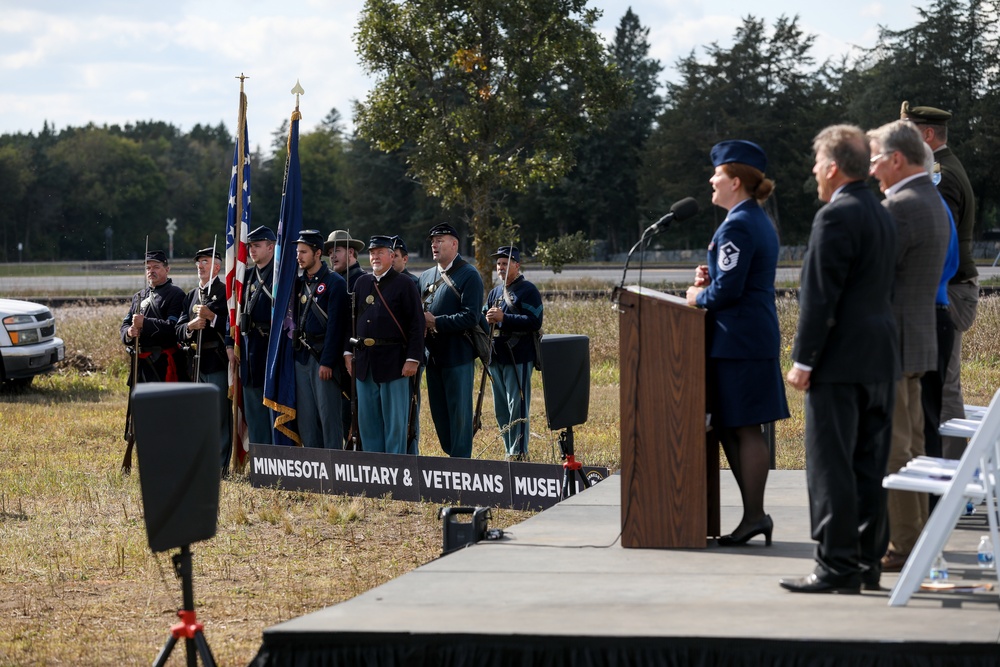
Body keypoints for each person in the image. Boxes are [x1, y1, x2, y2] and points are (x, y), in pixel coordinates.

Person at [780, 124, 898, 594]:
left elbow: (820, 298)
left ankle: (835, 566)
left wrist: (803, 360)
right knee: (870, 466)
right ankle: (867, 562)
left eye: (815, 165)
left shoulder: (835, 217)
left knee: (831, 466)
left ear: (832, 168)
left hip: (839, 362)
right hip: (880, 358)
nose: (813, 173)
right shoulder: (881, 212)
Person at [685, 140, 789, 547]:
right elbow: (733, 280)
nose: (712, 180)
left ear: (737, 181)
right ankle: (752, 516)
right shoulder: (749, 219)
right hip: (744, 338)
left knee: (745, 428)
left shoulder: (739, 224)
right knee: (735, 426)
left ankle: (755, 515)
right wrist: (710, 280)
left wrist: (697, 297)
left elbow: (729, 293)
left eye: (718, 175)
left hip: (740, 341)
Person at [868, 120, 950, 574]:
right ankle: (916, 535)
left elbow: (873, 276)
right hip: (915, 339)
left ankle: (902, 545)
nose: (873, 167)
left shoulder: (899, 206)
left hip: (894, 343)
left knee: (898, 452)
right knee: (915, 448)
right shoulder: (930, 200)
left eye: (877, 158)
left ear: (898, 159)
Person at [901, 102, 978, 460]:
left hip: (949, 290)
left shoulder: (941, 174)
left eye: (908, 131)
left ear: (927, 135)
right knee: (941, 385)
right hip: (950, 287)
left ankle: (950, 484)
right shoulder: (942, 168)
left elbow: (937, 239)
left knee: (943, 389)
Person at [345, 236, 424, 454]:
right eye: (372, 253)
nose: (375, 257)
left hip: (395, 363)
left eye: (380, 252)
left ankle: (396, 469)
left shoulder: (405, 284)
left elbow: (417, 324)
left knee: (395, 423)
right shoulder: (361, 283)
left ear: (391, 255)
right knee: (368, 422)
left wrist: (413, 359)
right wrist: (347, 352)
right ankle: (374, 470)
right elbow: (351, 321)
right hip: (365, 362)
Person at [418, 223, 484, 458]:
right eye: (432, 241)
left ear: (454, 243)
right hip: (433, 357)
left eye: (440, 240)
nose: (434, 244)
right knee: (439, 414)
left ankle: (461, 464)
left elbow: (471, 316)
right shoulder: (425, 276)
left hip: (458, 356)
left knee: (459, 415)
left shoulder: (469, 274)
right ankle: (452, 457)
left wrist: (435, 321)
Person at [916, 144, 959, 462]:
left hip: (923, 318)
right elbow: (954, 263)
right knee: (926, 419)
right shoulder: (936, 204)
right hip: (936, 312)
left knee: (919, 422)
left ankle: (927, 507)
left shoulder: (917, 206)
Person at [176, 247, 232, 474]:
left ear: (216, 267)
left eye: (205, 262)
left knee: (218, 415)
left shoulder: (226, 292)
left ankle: (220, 465)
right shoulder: (190, 296)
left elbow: (232, 326)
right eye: (198, 262)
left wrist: (213, 318)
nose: (200, 266)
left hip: (216, 360)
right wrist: (190, 326)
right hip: (194, 362)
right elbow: (178, 328)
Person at [484, 246, 542, 461]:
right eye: (498, 264)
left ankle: (519, 453)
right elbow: (486, 316)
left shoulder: (528, 290)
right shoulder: (494, 292)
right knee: (500, 409)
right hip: (496, 356)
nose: (500, 267)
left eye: (505, 263)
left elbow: (535, 321)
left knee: (516, 407)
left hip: (518, 356)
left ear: (517, 265)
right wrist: (487, 317)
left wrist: (504, 318)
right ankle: (508, 450)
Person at [293, 229, 350, 449]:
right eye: (298, 252)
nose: (299, 256)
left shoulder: (334, 282)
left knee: (329, 417)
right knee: (306, 418)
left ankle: (333, 467)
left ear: (318, 253)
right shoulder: (298, 283)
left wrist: (327, 361)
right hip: (302, 356)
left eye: (304, 252)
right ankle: (313, 468)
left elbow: (337, 327)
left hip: (322, 356)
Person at [324, 228, 367, 447]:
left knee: (355, 418)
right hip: (335, 361)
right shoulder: (332, 281)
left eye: (338, 250)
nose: (332, 256)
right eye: (330, 251)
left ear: (351, 252)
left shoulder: (362, 280)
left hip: (355, 359)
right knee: (341, 415)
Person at [120, 250, 186, 385]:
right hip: (140, 363)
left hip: (162, 363)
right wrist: (129, 332)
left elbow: (173, 328)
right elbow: (125, 324)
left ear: (167, 269)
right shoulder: (138, 296)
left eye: (156, 267)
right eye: (148, 268)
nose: (151, 271)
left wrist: (145, 322)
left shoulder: (176, 294)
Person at [236, 225, 276, 445]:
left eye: (257, 246)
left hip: (270, 349)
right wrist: (229, 343)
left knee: (273, 411)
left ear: (271, 247)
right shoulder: (248, 276)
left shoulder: (279, 276)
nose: (252, 250)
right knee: (254, 415)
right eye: (250, 246)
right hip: (249, 351)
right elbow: (235, 314)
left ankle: (277, 462)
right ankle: (260, 463)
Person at [391, 235, 422, 455]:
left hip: (408, 353)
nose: (391, 260)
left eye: (396, 257)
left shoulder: (412, 283)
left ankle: (411, 451)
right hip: (388, 356)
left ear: (405, 259)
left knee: (411, 405)